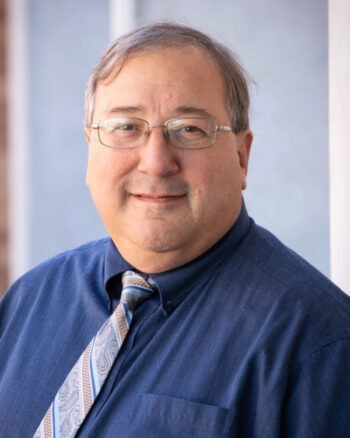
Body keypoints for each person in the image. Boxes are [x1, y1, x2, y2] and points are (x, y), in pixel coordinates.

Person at [0, 22, 349, 438]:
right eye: (126, 127)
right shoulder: (28, 301)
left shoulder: (318, 344)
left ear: (241, 156)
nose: (156, 162)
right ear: (90, 148)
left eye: (189, 129)